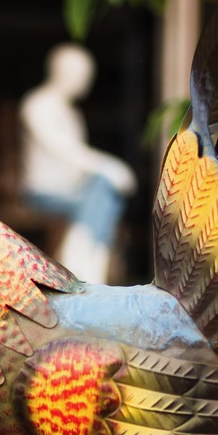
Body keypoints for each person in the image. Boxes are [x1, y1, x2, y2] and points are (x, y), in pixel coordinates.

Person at [18, 43, 135, 283]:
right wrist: (110, 167)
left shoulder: (72, 113)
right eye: (80, 73)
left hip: (74, 189)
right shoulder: (37, 105)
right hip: (44, 192)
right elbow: (64, 149)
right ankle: (86, 257)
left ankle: (86, 250)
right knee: (105, 186)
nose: (84, 80)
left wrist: (103, 173)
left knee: (104, 189)